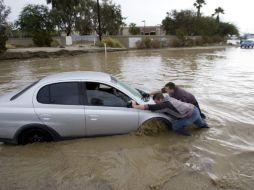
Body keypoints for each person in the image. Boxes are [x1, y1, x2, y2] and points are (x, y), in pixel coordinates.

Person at [131, 93, 209, 136]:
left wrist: (134, 105)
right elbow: (159, 93)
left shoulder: (165, 104)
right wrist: (150, 95)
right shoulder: (167, 97)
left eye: (156, 102)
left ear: (160, 99)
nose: (156, 103)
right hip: (194, 109)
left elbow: (149, 107)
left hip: (191, 115)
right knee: (203, 126)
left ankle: (189, 138)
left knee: (175, 127)